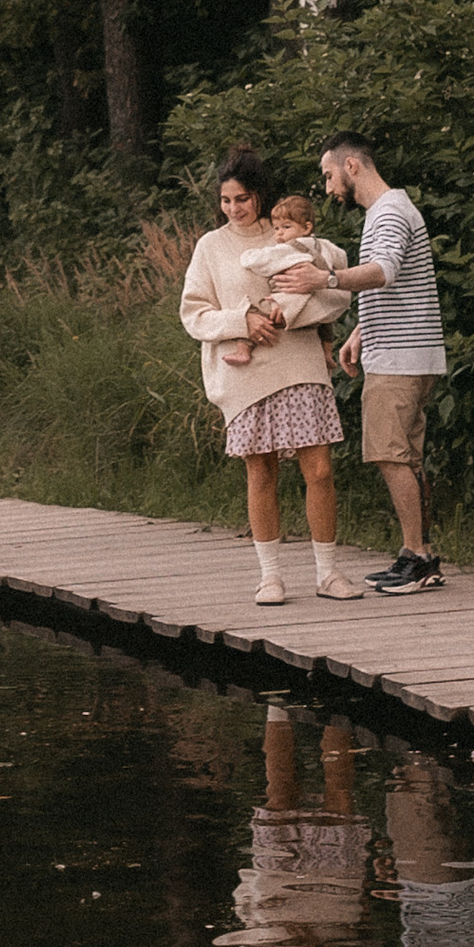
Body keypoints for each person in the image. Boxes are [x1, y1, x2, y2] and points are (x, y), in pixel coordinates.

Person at [179, 150, 363, 606]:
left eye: (241, 198)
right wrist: (242, 322)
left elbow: (333, 294)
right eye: (225, 200)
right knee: (260, 473)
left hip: (298, 362)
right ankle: (270, 577)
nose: (233, 208)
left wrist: (292, 317)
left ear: (259, 196)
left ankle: (327, 573)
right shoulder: (211, 246)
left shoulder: (294, 235)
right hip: (245, 375)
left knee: (319, 470)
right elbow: (194, 313)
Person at [316, 134, 448, 595]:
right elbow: (397, 288)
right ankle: (418, 556)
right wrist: (360, 332)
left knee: (391, 456)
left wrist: (325, 278)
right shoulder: (391, 210)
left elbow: (383, 272)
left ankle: (419, 556)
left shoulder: (388, 212)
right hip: (404, 351)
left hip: (399, 360)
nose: (329, 188)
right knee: (405, 458)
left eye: (329, 175)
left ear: (351, 166)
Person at [217, 191, 348, 366]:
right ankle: (326, 354)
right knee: (325, 324)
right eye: (276, 228)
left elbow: (260, 260)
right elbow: (341, 257)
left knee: (258, 315)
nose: (279, 234)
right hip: (311, 296)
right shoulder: (323, 245)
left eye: (286, 227)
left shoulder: (289, 248)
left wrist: (246, 255)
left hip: (286, 298)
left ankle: (243, 349)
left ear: (307, 228)